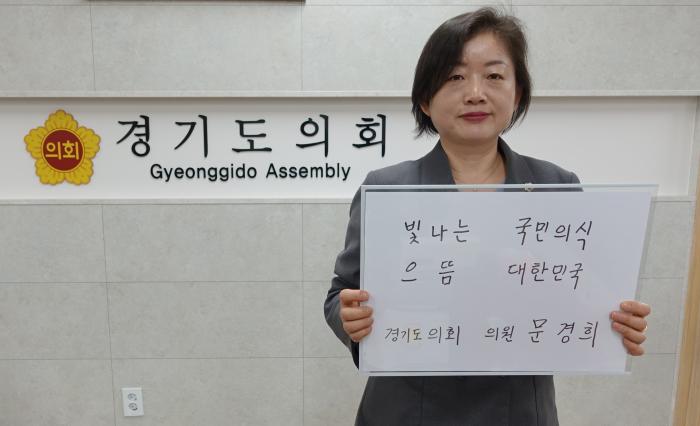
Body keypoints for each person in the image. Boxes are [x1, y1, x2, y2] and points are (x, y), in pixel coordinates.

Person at [324, 7, 651, 426]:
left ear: (517, 93)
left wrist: (617, 320)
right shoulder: (387, 189)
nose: (475, 93)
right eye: (455, 77)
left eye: (494, 76)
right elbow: (341, 292)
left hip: (518, 410)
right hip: (407, 408)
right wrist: (349, 318)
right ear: (425, 99)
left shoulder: (556, 186)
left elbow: (583, 293)